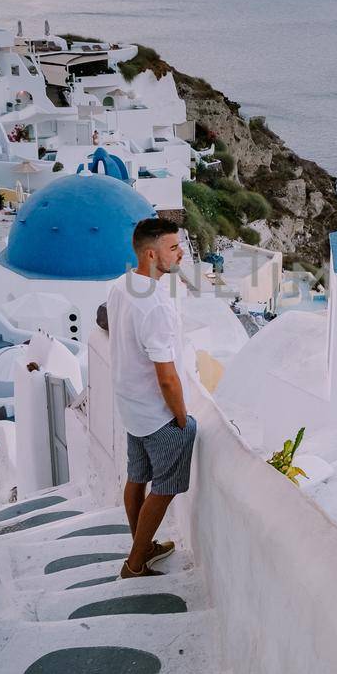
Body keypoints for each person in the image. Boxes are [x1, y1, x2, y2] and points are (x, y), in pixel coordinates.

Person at [105, 218, 197, 577]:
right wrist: (181, 417)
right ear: (150, 253)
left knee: (137, 478)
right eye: (173, 247)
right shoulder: (156, 305)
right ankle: (135, 563)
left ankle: (142, 546)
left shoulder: (121, 285)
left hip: (130, 407)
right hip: (157, 414)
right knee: (165, 488)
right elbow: (168, 378)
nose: (181, 253)